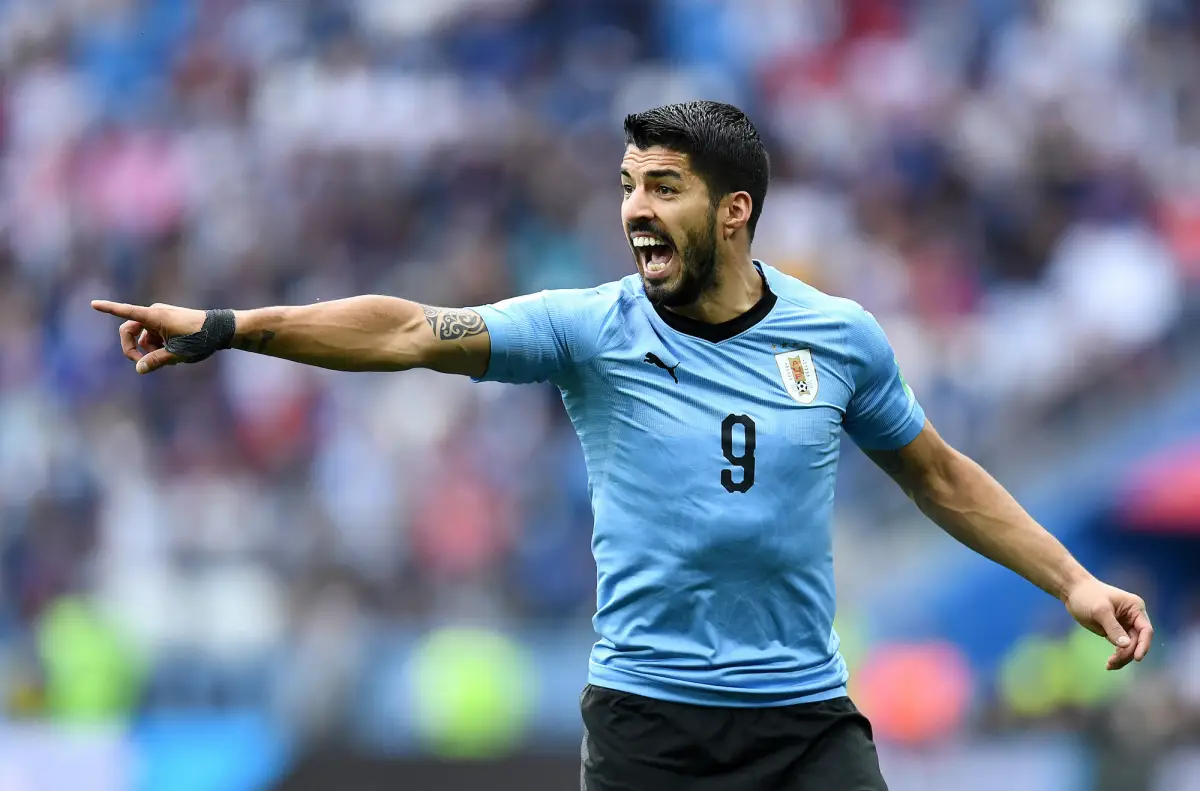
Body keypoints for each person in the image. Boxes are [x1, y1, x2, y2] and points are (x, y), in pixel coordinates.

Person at [92, 101, 1153, 790]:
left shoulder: (838, 338)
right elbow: (409, 329)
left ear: (734, 211)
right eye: (628, 185)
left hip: (804, 722)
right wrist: (231, 328)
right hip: (651, 725)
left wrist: (1073, 579)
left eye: (664, 188)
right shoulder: (589, 328)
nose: (635, 209)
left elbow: (939, 475)